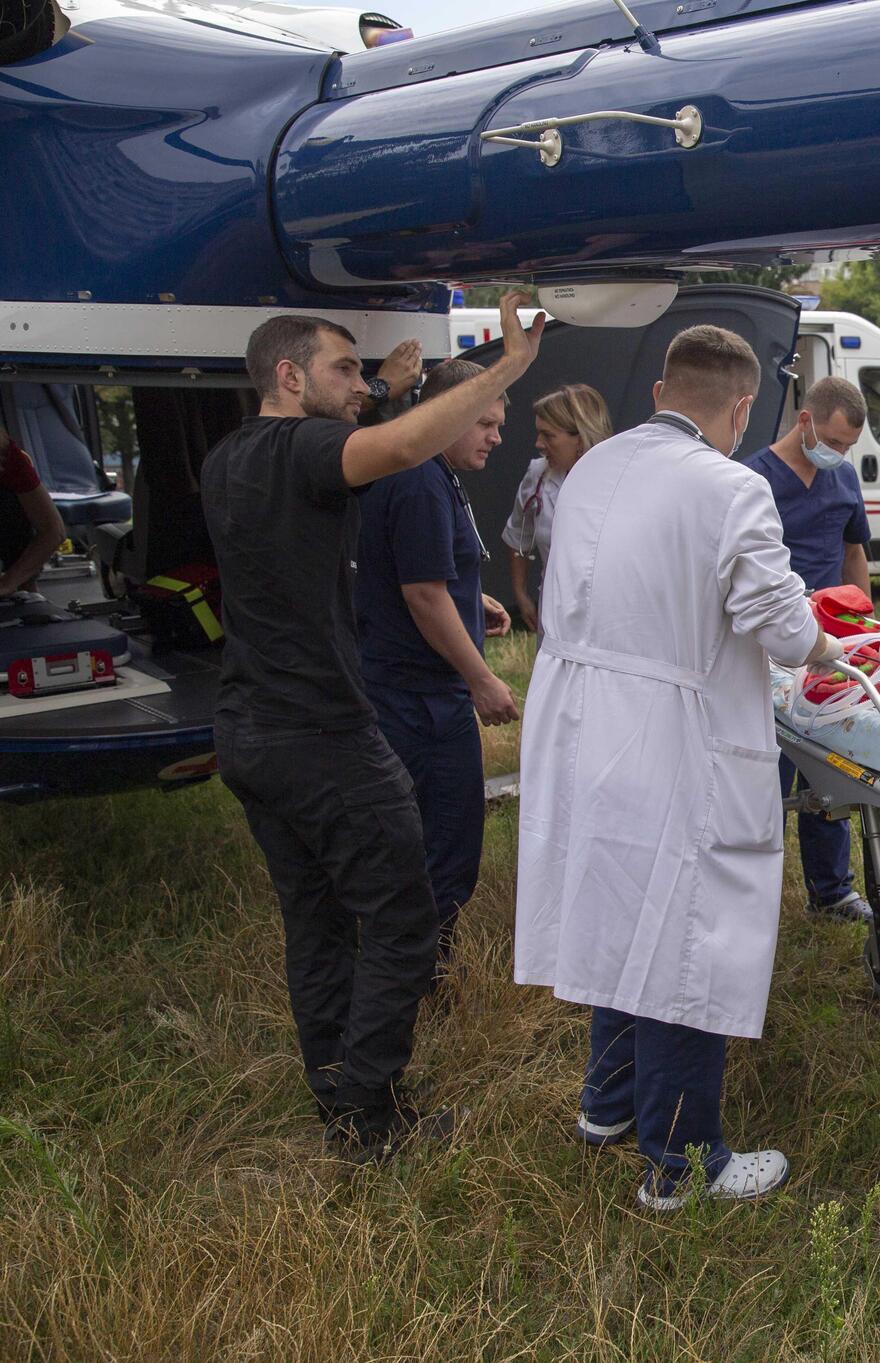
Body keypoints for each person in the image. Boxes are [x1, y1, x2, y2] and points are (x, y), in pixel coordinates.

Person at [201, 296, 544, 1160]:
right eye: (341, 370)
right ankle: (370, 1111)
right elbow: (391, 448)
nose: (359, 386)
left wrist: (384, 385)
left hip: (249, 727)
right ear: (289, 375)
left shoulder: (229, 456)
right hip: (323, 734)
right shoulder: (309, 447)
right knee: (403, 915)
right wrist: (506, 366)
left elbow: (368, 431)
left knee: (316, 921)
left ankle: (337, 1096)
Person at [514, 325, 842, 1213]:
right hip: (670, 733)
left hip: (582, 725)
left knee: (622, 913)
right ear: (740, 407)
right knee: (686, 936)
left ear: (661, 389)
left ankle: (608, 1104)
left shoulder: (590, 468)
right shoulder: (731, 485)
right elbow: (780, 628)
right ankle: (684, 1159)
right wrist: (830, 648)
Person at [353, 357, 522, 976]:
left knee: (431, 840)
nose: (496, 437)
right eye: (483, 421)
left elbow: (420, 576)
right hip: (419, 699)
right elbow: (421, 595)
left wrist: (468, 597)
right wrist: (481, 677)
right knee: (444, 845)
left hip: (407, 690)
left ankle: (412, 964)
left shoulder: (428, 473)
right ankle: (422, 974)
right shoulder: (420, 479)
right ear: (442, 414)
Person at [744, 376, 875, 924]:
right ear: (805, 420)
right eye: (834, 442)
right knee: (763, 774)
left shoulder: (841, 480)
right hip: (767, 647)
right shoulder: (752, 480)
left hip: (829, 645)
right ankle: (753, 894)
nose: (839, 455)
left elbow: (854, 553)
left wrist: (864, 628)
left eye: (848, 447)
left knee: (830, 768)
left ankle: (833, 890)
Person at [503, 383, 612, 635]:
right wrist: (521, 594)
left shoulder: (618, 479)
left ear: (581, 436)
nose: (539, 444)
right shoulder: (538, 475)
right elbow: (517, 536)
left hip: (606, 617)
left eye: (548, 435)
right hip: (553, 611)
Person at [0, 421, 66, 596]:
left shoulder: (8, 456)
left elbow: (53, 531)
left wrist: (7, 583)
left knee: (11, 504)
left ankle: (24, 593)